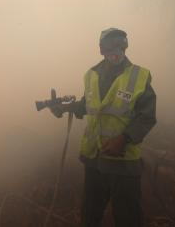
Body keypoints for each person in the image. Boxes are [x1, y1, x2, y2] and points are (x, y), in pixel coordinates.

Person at [50, 27, 157, 227]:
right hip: (94, 160)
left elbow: (147, 117)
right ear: (101, 49)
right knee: (90, 215)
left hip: (123, 163)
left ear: (126, 46)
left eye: (120, 44)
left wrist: (124, 139)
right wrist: (65, 108)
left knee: (128, 218)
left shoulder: (139, 76)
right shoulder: (91, 75)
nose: (115, 51)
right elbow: (89, 105)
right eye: (110, 46)